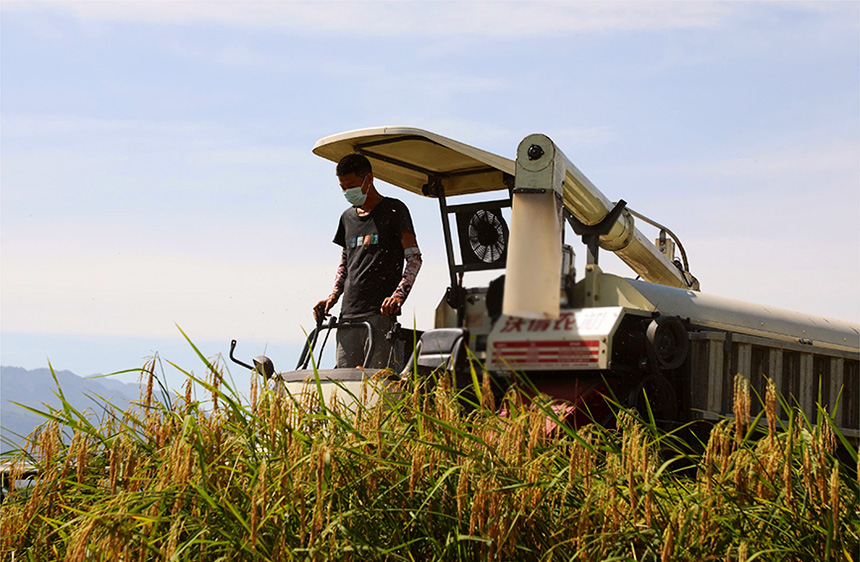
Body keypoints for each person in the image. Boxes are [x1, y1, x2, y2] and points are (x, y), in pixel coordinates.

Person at [314, 153, 422, 369]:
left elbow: (414, 259)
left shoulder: (394, 210)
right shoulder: (347, 218)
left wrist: (398, 296)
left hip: (379, 315)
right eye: (342, 187)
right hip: (348, 315)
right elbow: (345, 264)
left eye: (351, 185)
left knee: (375, 381)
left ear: (369, 179)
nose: (346, 192)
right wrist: (332, 297)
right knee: (344, 381)